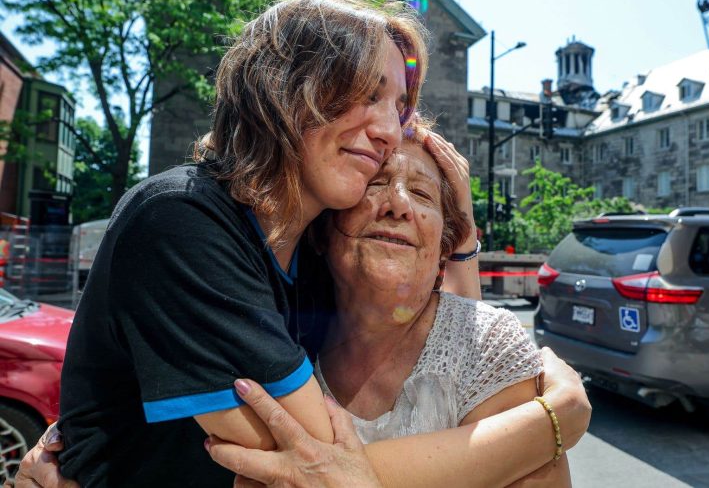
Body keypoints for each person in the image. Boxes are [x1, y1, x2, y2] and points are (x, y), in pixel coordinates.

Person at [14, 128, 590, 488]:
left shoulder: (488, 345)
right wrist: (552, 420)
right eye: (374, 185)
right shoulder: (277, 326)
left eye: (422, 195)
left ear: (445, 241)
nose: (396, 206)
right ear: (321, 228)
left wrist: (554, 420)